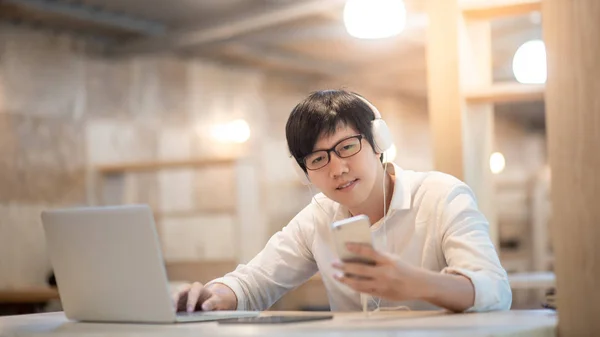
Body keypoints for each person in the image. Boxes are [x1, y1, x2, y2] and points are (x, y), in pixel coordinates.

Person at [173, 90, 512, 313]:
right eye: (318, 159)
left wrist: (416, 283)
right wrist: (212, 296)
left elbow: (495, 290)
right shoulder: (318, 217)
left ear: (379, 142)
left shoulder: (441, 195)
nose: (337, 168)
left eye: (347, 147)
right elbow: (255, 282)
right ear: (303, 170)